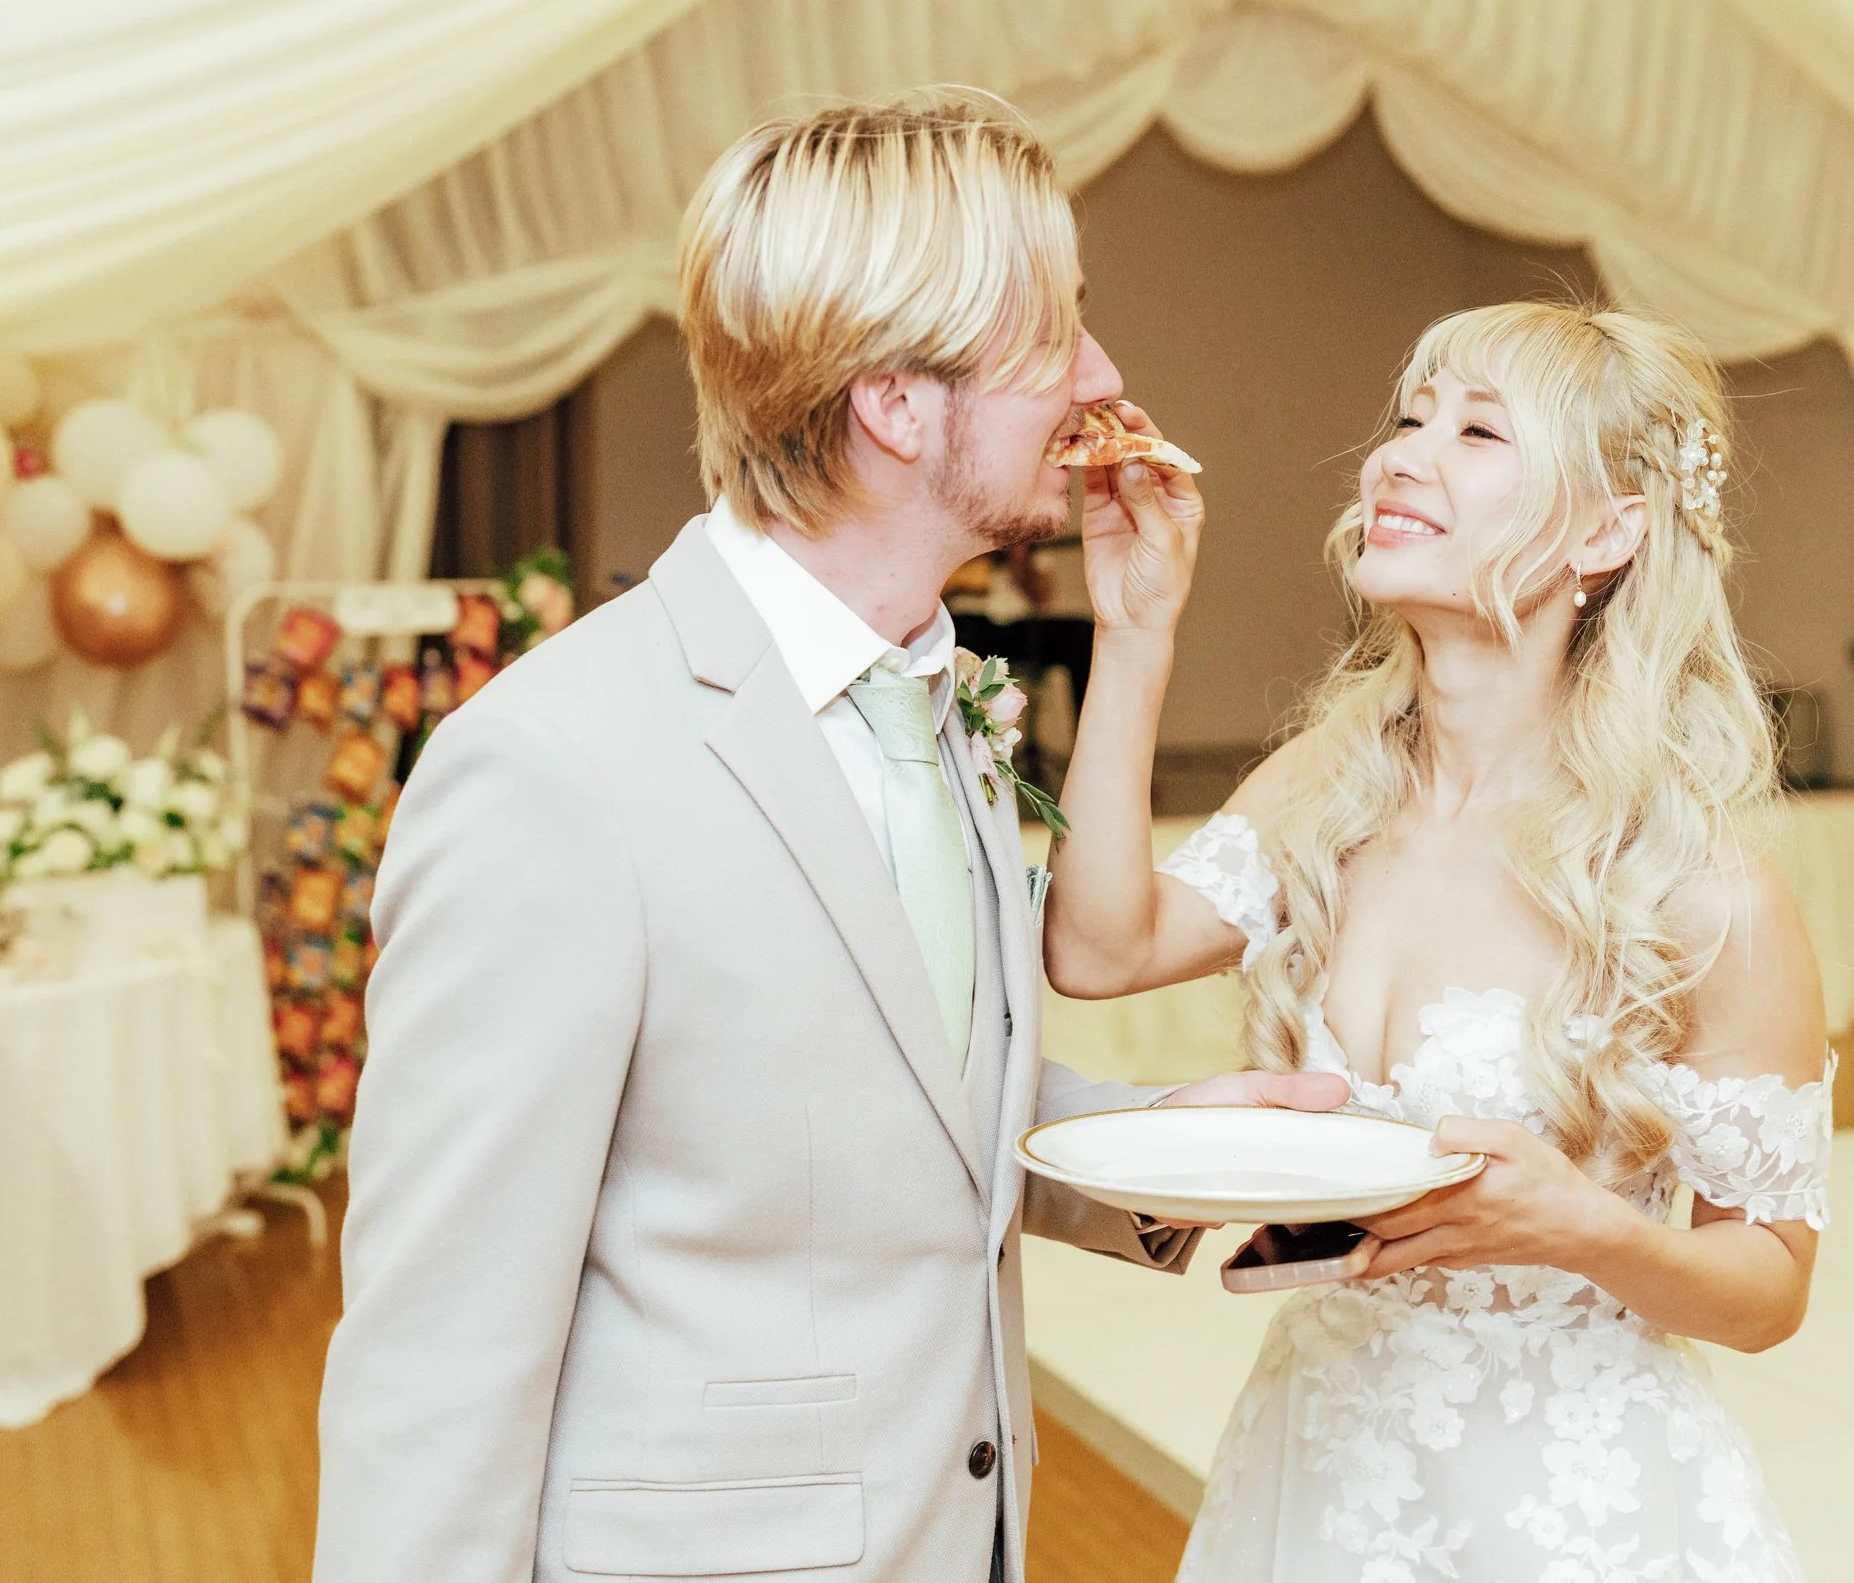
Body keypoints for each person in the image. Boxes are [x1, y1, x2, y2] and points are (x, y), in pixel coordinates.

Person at [309, 90, 1343, 1583]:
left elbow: (903, 1092)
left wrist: (1175, 1147)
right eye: (1057, 330)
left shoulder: (943, 698)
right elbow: (436, 1358)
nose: (1104, 373)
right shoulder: (548, 770)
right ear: (897, 403)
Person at [1046, 302, 1832, 1581]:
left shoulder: (1697, 889)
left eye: (1476, 430)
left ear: (1607, 531)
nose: (1399, 456)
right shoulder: (1327, 787)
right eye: (1409, 419)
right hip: (1318, 1466)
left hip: (1576, 1510)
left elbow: (1768, 1290)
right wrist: (1133, 635)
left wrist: (1582, 1226)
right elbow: (1097, 949)